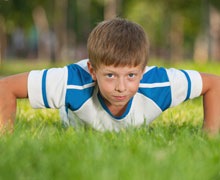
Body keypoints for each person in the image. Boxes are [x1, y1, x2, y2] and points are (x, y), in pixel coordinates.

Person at [0, 18, 220, 134]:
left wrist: (209, 137)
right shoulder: (71, 82)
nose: (121, 87)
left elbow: (214, 83)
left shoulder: (160, 84)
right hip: (77, 123)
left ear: (143, 71)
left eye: (132, 75)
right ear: (93, 71)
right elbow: (5, 87)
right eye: (111, 76)